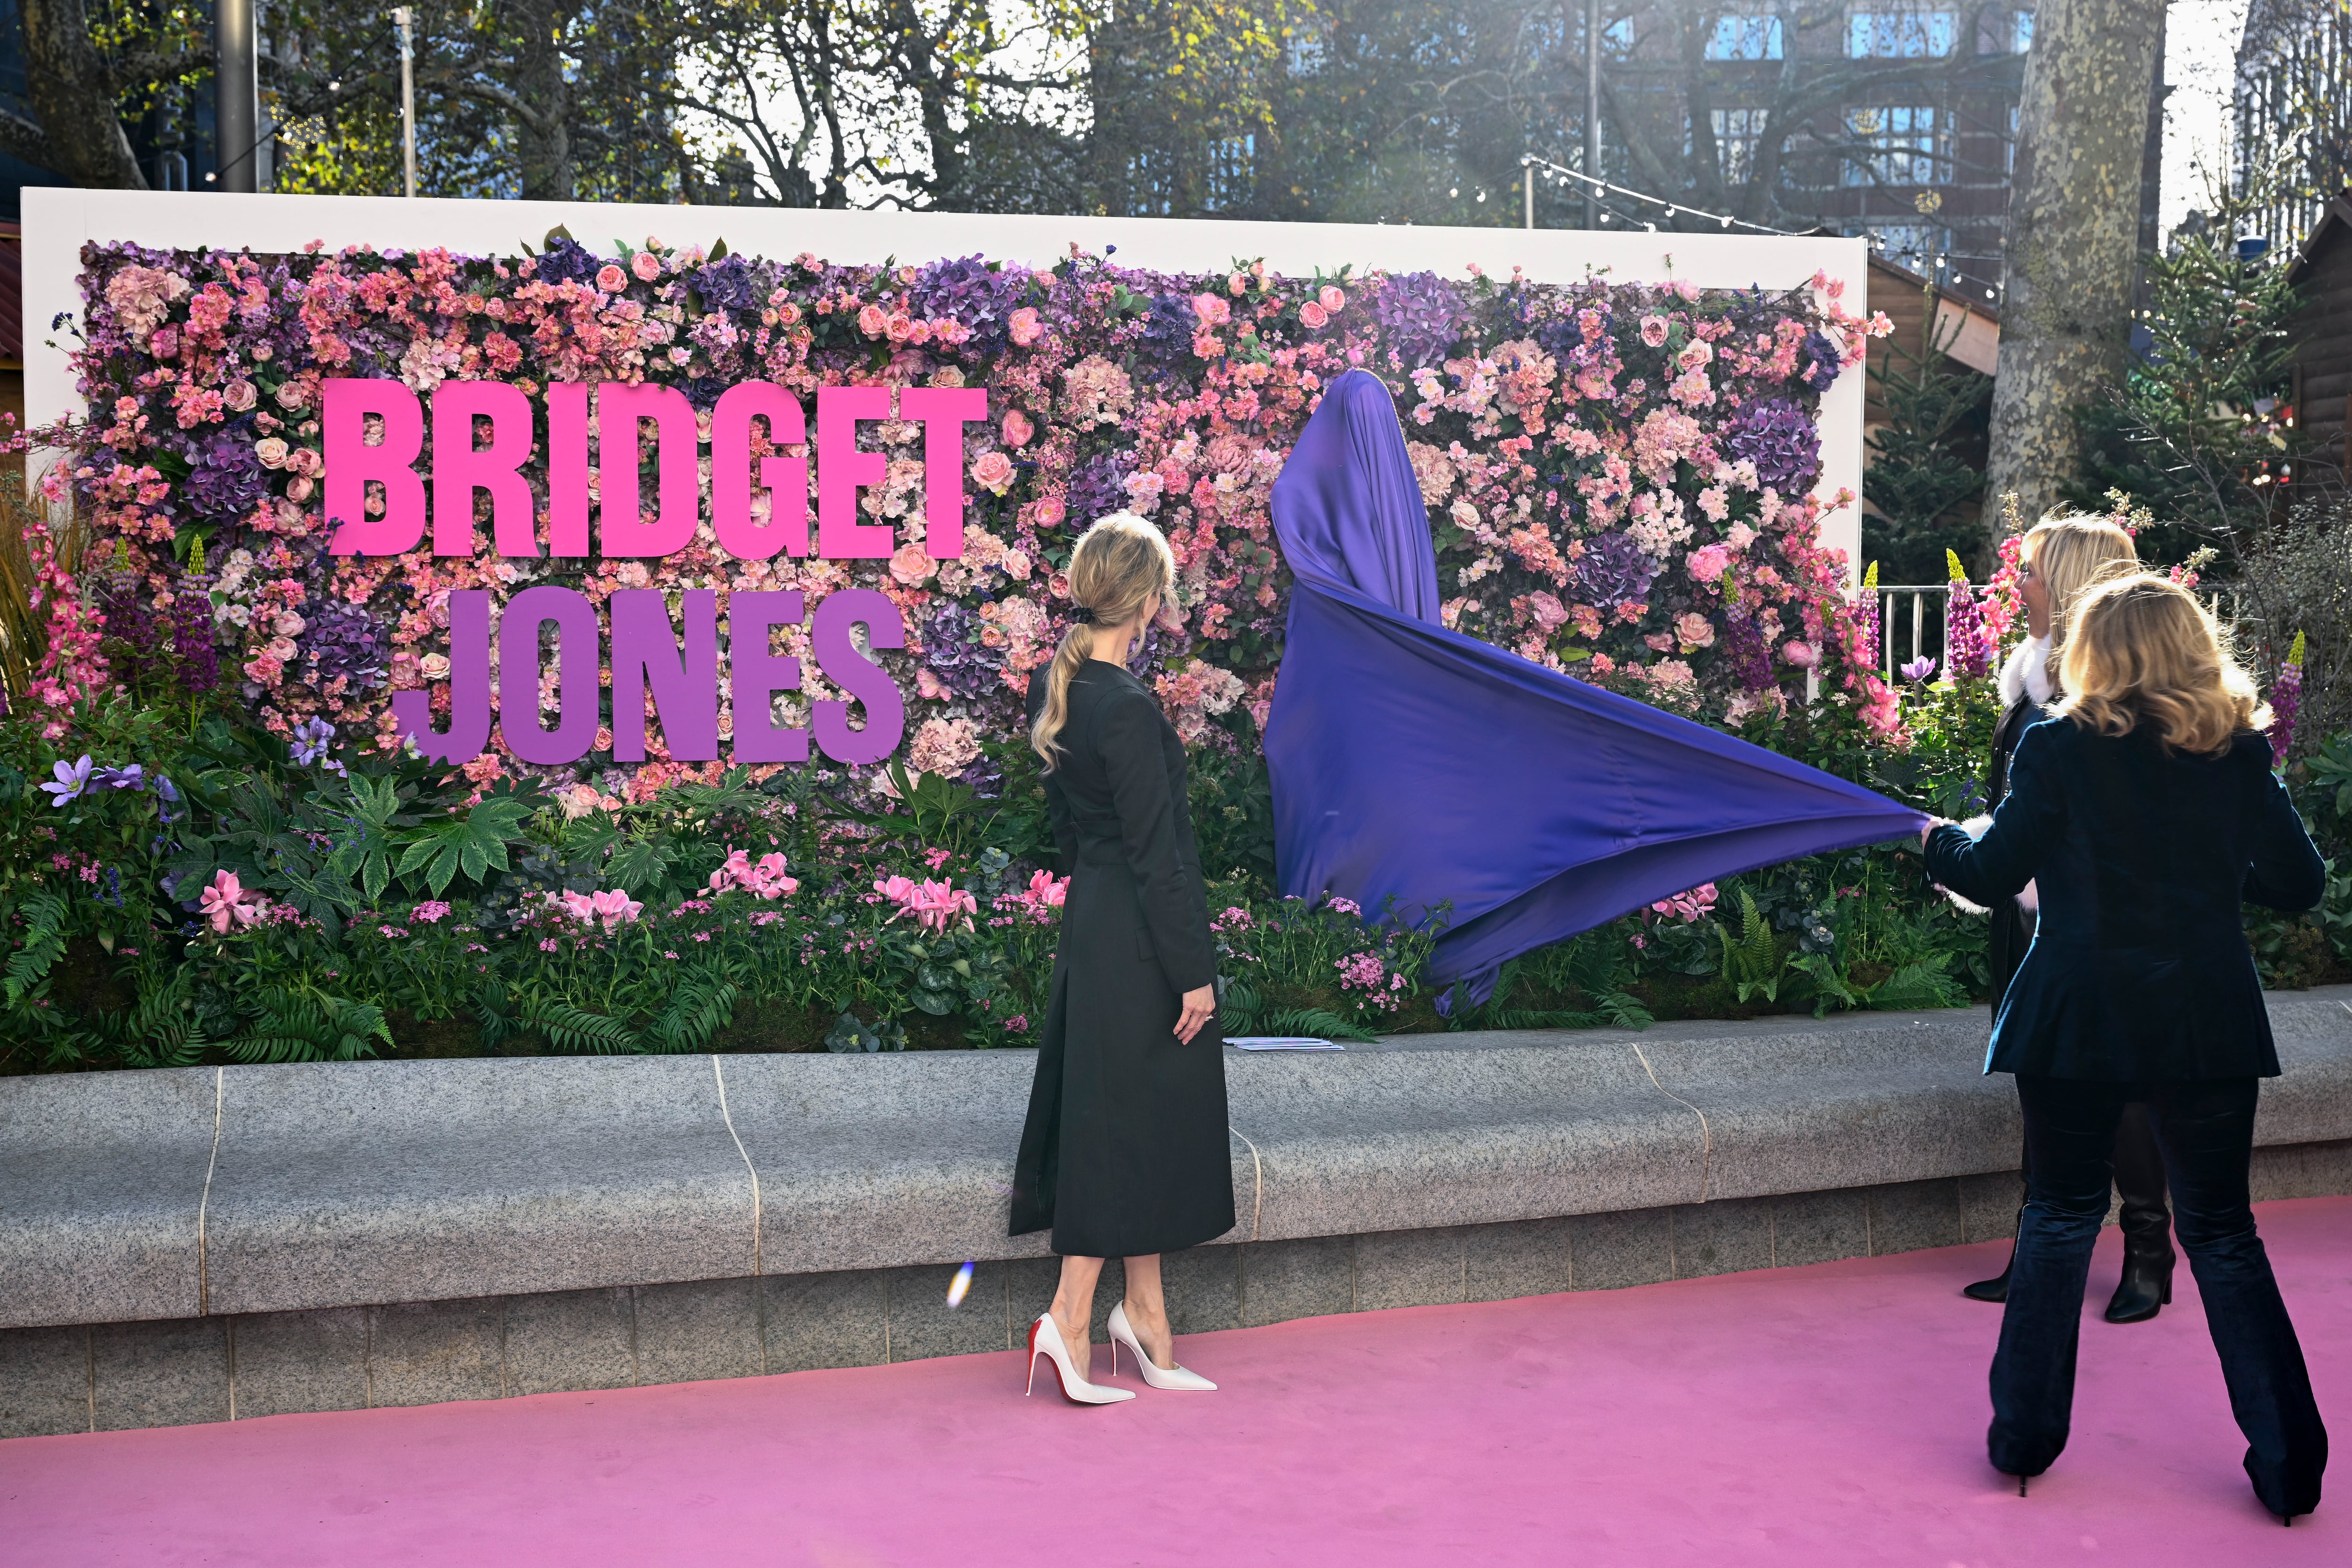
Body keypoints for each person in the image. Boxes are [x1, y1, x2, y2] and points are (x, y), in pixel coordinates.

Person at [1923, 572, 2328, 1520]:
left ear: (2094, 651)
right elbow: (2299, 883)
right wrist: (2211, 886)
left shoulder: (2057, 747)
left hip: (2077, 1012)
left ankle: (2024, 1434)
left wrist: (1938, 840)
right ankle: (2289, 1464)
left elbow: (1991, 873)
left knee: (2059, 1216)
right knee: (2224, 1233)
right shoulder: (2235, 752)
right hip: (2207, 1016)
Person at [1010, 511, 1233, 1406]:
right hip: (1139, 938)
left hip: (1096, 925)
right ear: (1146, 600)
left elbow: (1074, 835)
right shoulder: (1131, 708)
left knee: (1127, 1118)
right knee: (1118, 1127)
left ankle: (1144, 1315)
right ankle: (1068, 1320)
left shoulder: (1061, 690)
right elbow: (1160, 855)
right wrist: (1191, 971)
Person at [1962, 516, 2177, 1324]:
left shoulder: (2121, 701)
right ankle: (2039, 1245)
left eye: (2032, 572)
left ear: (2076, 581)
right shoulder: (2029, 680)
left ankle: (2150, 1248)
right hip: (2025, 917)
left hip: (2099, 923)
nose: (2017, 586)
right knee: (2040, 1078)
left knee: (2117, 1086)